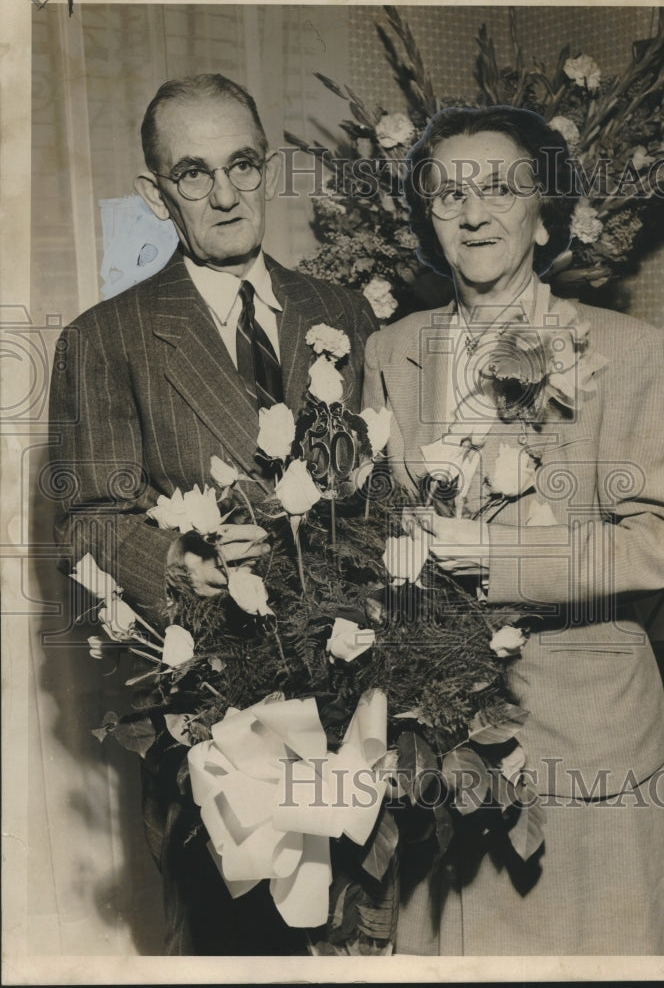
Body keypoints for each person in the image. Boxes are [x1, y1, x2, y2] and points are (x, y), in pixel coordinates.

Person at [363, 105, 664, 955]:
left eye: (502, 190)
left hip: (587, 725)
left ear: (545, 213)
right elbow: (370, 529)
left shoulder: (630, 351)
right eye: (448, 195)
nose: (474, 213)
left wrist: (500, 555)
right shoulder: (390, 351)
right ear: (427, 219)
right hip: (440, 733)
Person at [48, 73, 378, 955]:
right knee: (243, 947)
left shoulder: (339, 311)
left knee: (362, 939)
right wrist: (175, 567)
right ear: (158, 195)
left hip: (361, 702)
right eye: (194, 174)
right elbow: (86, 516)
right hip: (219, 718)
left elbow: (380, 488)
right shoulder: (104, 339)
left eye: (241, 164)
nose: (226, 195)